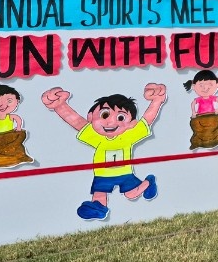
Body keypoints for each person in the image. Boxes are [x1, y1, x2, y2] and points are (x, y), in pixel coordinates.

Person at [41, 85, 165, 220]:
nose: (110, 122)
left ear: (132, 123)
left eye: (121, 117)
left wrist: (157, 100)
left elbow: (147, 120)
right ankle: (98, 209)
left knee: (131, 194)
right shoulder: (97, 137)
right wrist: (60, 106)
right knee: (99, 194)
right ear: (90, 117)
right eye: (104, 115)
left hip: (125, 174)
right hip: (102, 175)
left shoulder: (129, 136)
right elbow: (76, 121)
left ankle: (148, 183)